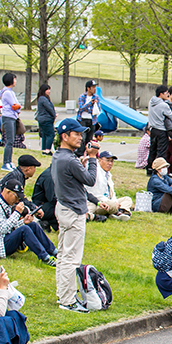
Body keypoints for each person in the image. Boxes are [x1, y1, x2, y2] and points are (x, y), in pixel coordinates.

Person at [51, 118, 98, 313]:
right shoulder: (69, 160)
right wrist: (93, 158)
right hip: (73, 211)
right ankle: (68, 300)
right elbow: (90, 180)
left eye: (81, 134)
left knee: (63, 256)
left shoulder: (59, 156)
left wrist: (81, 162)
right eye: (76, 134)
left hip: (64, 208)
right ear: (65, 136)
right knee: (71, 259)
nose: (80, 138)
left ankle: (63, 295)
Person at [0, 179, 57, 266]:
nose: (17, 201)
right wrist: (17, 213)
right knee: (24, 230)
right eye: (16, 197)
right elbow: (3, 229)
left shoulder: (6, 205)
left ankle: (54, 252)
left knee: (32, 225)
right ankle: (45, 258)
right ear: (8, 192)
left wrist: (23, 221)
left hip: (2, 241)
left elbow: (10, 227)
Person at [85, 150, 133, 221]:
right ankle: (116, 212)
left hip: (108, 201)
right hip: (98, 202)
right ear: (100, 160)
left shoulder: (108, 174)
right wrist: (113, 203)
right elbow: (95, 194)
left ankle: (117, 212)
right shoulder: (95, 172)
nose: (110, 163)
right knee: (111, 205)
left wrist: (115, 201)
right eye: (107, 160)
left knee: (127, 199)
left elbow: (112, 193)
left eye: (112, 161)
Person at [146, 85, 172, 174]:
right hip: (162, 130)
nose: (168, 95)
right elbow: (171, 116)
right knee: (161, 151)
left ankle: (150, 168)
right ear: (161, 94)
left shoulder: (151, 101)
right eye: (166, 93)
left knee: (152, 150)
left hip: (153, 129)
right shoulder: (163, 105)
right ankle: (159, 169)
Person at [0, 73, 21, 171]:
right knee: (10, 140)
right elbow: (15, 105)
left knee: (11, 140)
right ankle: (5, 162)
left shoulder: (11, 92)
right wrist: (18, 107)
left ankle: (9, 161)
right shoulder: (7, 92)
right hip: (8, 117)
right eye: (14, 79)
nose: (15, 81)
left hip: (12, 117)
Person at [77, 79, 100, 156]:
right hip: (83, 119)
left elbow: (98, 109)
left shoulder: (96, 97)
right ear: (88, 88)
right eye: (93, 87)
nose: (95, 89)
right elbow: (81, 108)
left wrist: (90, 107)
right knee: (82, 137)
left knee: (89, 138)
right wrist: (90, 103)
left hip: (92, 120)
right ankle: (80, 153)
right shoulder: (82, 96)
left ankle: (87, 154)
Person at [31, 165, 58, 232]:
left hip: (46, 204)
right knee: (63, 209)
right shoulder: (49, 176)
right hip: (40, 207)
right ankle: (44, 221)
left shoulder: (53, 173)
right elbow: (52, 198)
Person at [36, 83, 56, 156]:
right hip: (46, 119)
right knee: (51, 134)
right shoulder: (43, 99)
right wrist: (54, 114)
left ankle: (44, 149)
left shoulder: (41, 98)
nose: (49, 91)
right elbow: (49, 108)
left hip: (42, 119)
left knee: (45, 134)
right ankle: (47, 150)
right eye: (47, 89)